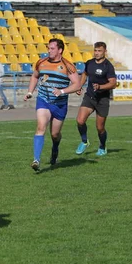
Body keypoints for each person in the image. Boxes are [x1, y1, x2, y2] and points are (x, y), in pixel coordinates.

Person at [24, 38, 81, 172]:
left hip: (60, 104)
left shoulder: (67, 66)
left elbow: (77, 84)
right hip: (43, 100)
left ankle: (55, 148)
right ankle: (36, 160)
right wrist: (30, 92)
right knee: (40, 127)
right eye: (48, 48)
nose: (49, 50)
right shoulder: (41, 62)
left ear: (60, 50)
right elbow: (35, 76)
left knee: (55, 134)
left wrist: (62, 91)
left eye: (52, 48)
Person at [75, 42, 117, 156]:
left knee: (100, 128)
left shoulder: (108, 66)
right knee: (80, 120)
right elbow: (85, 74)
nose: (97, 53)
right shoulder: (89, 63)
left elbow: (113, 83)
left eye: (99, 51)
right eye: (95, 50)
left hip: (102, 99)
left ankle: (102, 146)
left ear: (105, 52)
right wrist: (80, 86)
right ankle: (84, 141)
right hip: (90, 97)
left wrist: (100, 87)